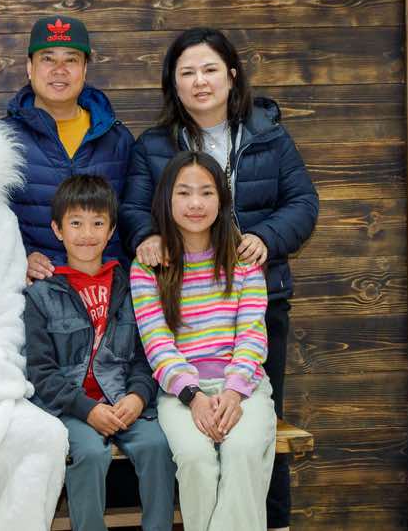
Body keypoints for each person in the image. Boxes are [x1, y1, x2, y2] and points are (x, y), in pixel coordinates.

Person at [119, 27, 319, 531]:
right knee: (201, 456)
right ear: (173, 83)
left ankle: (274, 523)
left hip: (255, 297)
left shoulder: (267, 134)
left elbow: (303, 202)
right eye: (187, 72)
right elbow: (133, 208)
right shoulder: (154, 145)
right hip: (178, 307)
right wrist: (149, 236)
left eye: (210, 69)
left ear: (231, 75)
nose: (200, 81)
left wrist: (266, 238)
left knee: (255, 436)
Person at [130, 151, 277, 531]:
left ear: (222, 200)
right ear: (166, 199)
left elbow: (252, 334)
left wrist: (233, 392)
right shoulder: (148, 266)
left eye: (206, 192)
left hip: (244, 386)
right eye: (184, 192)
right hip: (180, 392)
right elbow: (157, 343)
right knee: (195, 458)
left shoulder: (243, 260)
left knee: (243, 451)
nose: (195, 203)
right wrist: (193, 396)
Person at [24, 174, 176, 531]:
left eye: (98, 223)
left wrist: (138, 397)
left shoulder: (132, 286)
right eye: (75, 223)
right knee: (90, 453)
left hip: (125, 402)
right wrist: (87, 409)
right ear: (57, 230)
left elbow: (146, 355)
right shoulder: (41, 294)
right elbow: (40, 372)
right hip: (71, 409)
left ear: (111, 231)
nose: (87, 233)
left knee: (157, 446)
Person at [6, 15, 134, 281]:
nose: (59, 69)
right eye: (48, 59)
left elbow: (133, 216)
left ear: (85, 69)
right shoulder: (3, 140)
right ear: (29, 67)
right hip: (38, 291)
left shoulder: (117, 139)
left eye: (71, 60)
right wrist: (19, 257)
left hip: (107, 291)